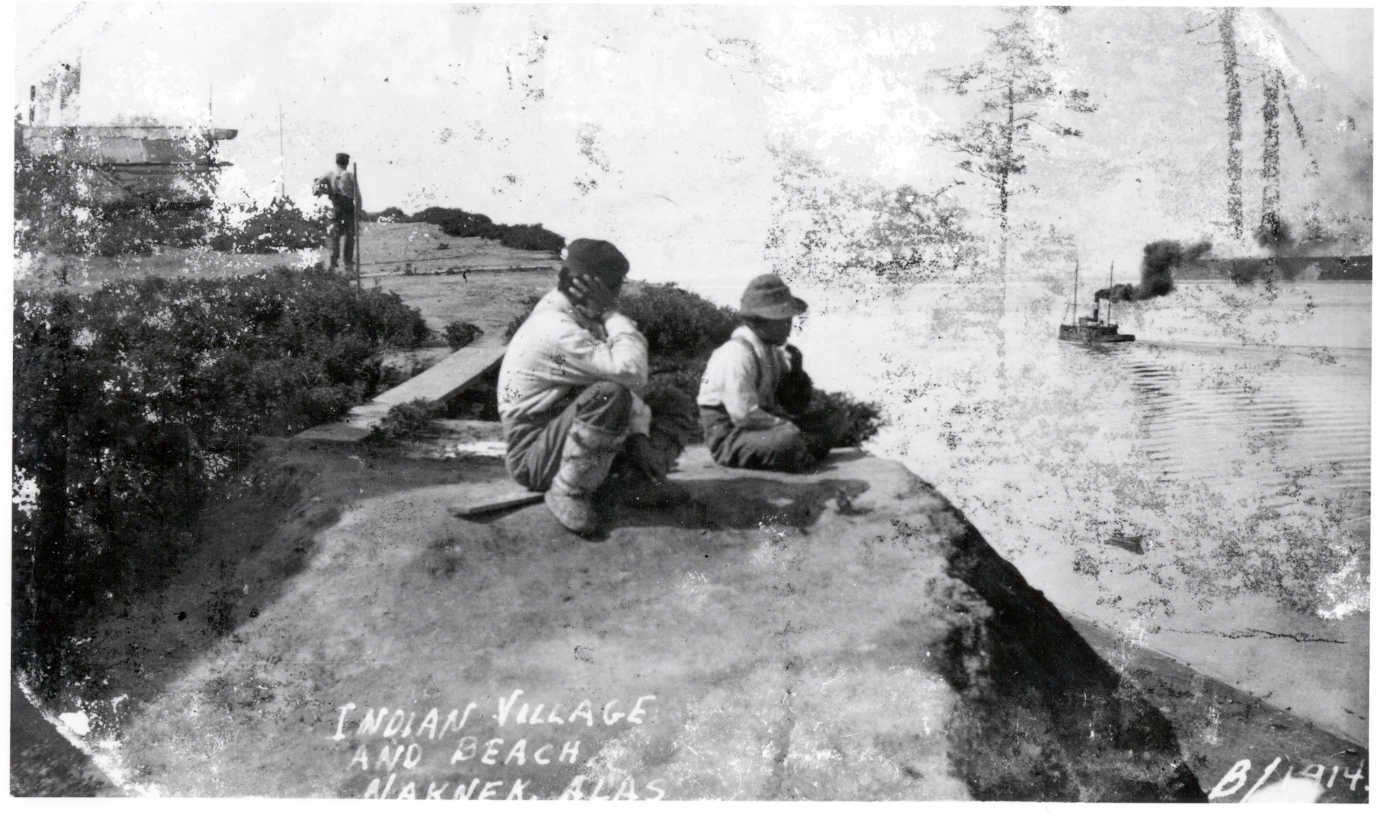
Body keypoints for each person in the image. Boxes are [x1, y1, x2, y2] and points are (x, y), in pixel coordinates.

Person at [498, 238, 694, 535]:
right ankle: (568, 491)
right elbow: (629, 373)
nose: (615, 294)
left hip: (563, 434)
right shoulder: (554, 326)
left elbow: (628, 385)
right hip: (533, 455)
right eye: (612, 286)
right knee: (608, 395)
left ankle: (635, 482)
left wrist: (639, 435)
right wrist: (612, 314)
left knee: (669, 398)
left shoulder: (578, 316)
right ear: (583, 284)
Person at [697, 274, 848, 472]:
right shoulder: (735, 354)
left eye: (789, 320)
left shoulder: (772, 352)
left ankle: (799, 452)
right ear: (759, 322)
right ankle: (798, 451)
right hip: (733, 435)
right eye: (783, 322)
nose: (789, 328)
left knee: (833, 417)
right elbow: (743, 415)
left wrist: (796, 372)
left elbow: (794, 405)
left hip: (765, 427)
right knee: (789, 439)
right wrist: (784, 425)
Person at [318, 152, 362, 271]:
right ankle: (347, 264)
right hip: (347, 207)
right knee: (349, 236)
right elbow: (357, 196)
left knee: (334, 237)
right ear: (347, 163)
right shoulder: (350, 175)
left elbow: (316, 187)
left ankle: (333, 264)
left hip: (335, 207)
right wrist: (358, 212)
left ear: (336, 161)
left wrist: (324, 192)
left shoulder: (329, 174)